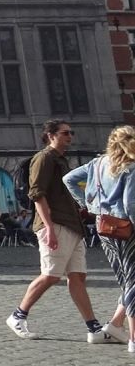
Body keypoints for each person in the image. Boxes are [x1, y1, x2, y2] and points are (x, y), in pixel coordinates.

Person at [7, 120, 117, 342]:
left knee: (77, 277)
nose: (70, 136)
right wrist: (48, 227)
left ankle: (93, 328)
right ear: (50, 135)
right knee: (50, 275)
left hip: (72, 225)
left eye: (71, 132)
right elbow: (37, 194)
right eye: (65, 133)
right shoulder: (44, 158)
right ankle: (17, 316)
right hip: (55, 223)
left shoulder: (61, 160)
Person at [63, 125, 135, 353]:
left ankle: (115, 325)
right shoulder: (131, 168)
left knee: (127, 280)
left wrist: (89, 204)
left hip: (104, 227)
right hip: (128, 228)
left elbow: (69, 179)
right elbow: (130, 205)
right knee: (132, 282)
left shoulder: (97, 164)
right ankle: (133, 338)